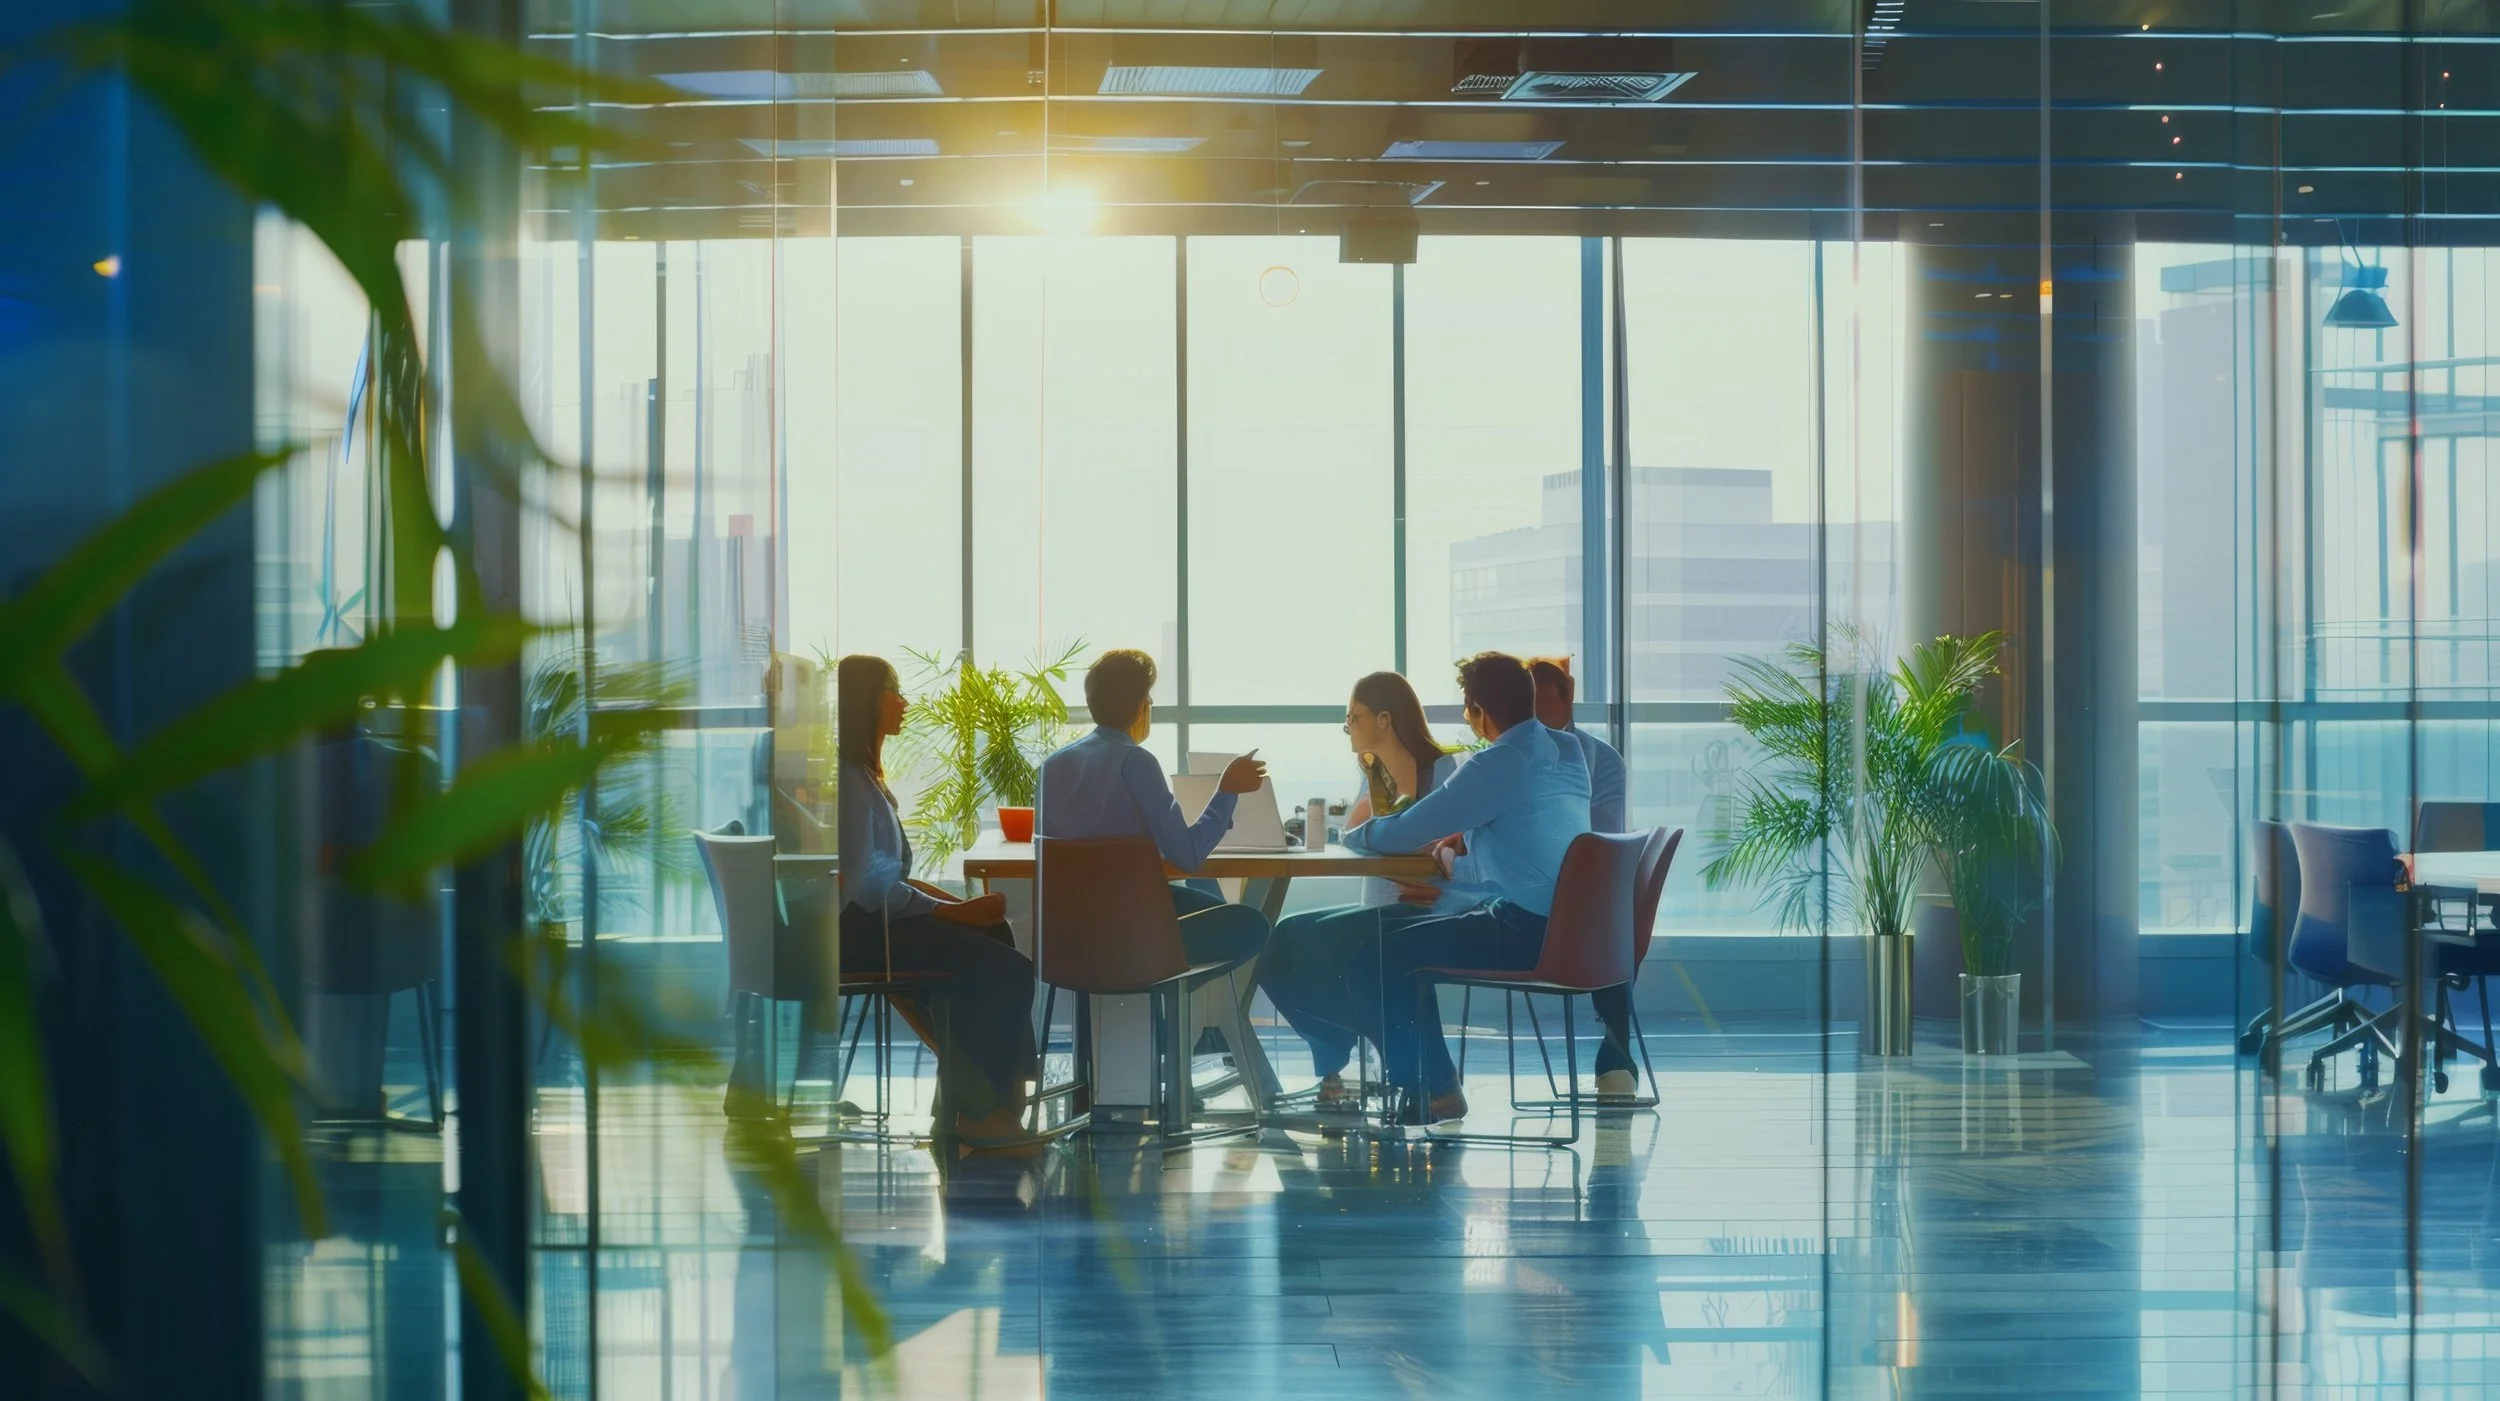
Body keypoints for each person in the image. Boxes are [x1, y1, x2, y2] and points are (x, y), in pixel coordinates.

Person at [1341, 652, 1592, 1123]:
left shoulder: (1494, 763)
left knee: (1372, 957)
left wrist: (1350, 834)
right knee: (1396, 949)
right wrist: (1471, 837)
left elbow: (1400, 833)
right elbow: (1536, 829)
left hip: (1522, 929)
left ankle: (1430, 1089)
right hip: (1574, 930)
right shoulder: (1568, 751)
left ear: (1477, 712)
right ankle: (1429, 1086)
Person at [831, 654, 1040, 1146]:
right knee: (1000, 968)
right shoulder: (851, 784)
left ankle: (989, 1102)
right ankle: (979, 1111)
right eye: (894, 691)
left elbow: (890, 874)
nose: (904, 702)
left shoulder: (866, 779)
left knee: (997, 935)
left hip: (879, 923)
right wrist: (948, 912)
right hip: (864, 935)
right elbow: (866, 887)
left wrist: (953, 908)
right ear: (868, 700)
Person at [1257, 672, 1459, 1106]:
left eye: (1355, 717)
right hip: (1381, 906)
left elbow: (1412, 838)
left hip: (1423, 907)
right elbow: (1356, 833)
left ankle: (1375, 1058)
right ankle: (1346, 1043)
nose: (1349, 728)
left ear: (1385, 719)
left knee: (1294, 939)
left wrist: (1388, 792)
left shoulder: (1441, 769)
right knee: (1279, 943)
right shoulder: (1372, 769)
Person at [1035, 648, 1272, 965]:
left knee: (1209, 902)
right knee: (1250, 924)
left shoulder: (1052, 766)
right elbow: (1187, 856)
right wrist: (1226, 790)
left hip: (1067, 938)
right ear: (1139, 707)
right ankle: (1185, 1008)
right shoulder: (1136, 763)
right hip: (1131, 934)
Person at [1529, 657, 1642, 1098]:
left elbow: (1598, 842)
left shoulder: (1602, 761)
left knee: (1602, 912)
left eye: (1544, 704)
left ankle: (1616, 1052)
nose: (1535, 717)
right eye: (1527, 706)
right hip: (1526, 893)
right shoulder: (1511, 759)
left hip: (1575, 900)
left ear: (1567, 700)